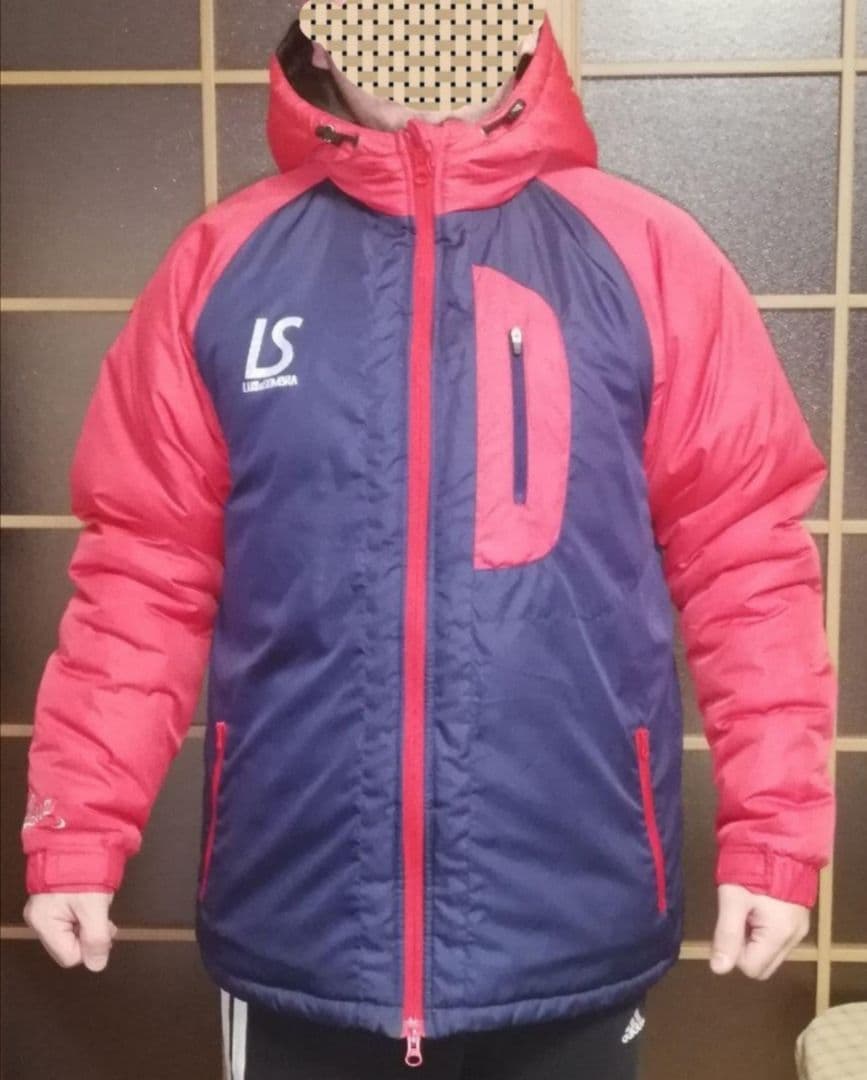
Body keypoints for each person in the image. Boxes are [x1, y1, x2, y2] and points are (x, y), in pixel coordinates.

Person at [20, 8, 837, 1079]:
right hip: (302, 926)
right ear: (322, 31)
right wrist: (77, 825)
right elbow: (143, 571)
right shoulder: (222, 266)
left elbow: (746, 564)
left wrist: (775, 833)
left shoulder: (647, 257)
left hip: (570, 919)